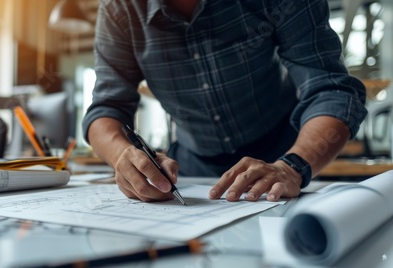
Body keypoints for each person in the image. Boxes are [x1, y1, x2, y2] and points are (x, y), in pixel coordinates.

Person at [82, 0, 367, 203]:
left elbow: (331, 88)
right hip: (189, 170)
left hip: (284, 156)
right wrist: (122, 155)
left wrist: (293, 167)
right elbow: (107, 108)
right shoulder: (120, 8)